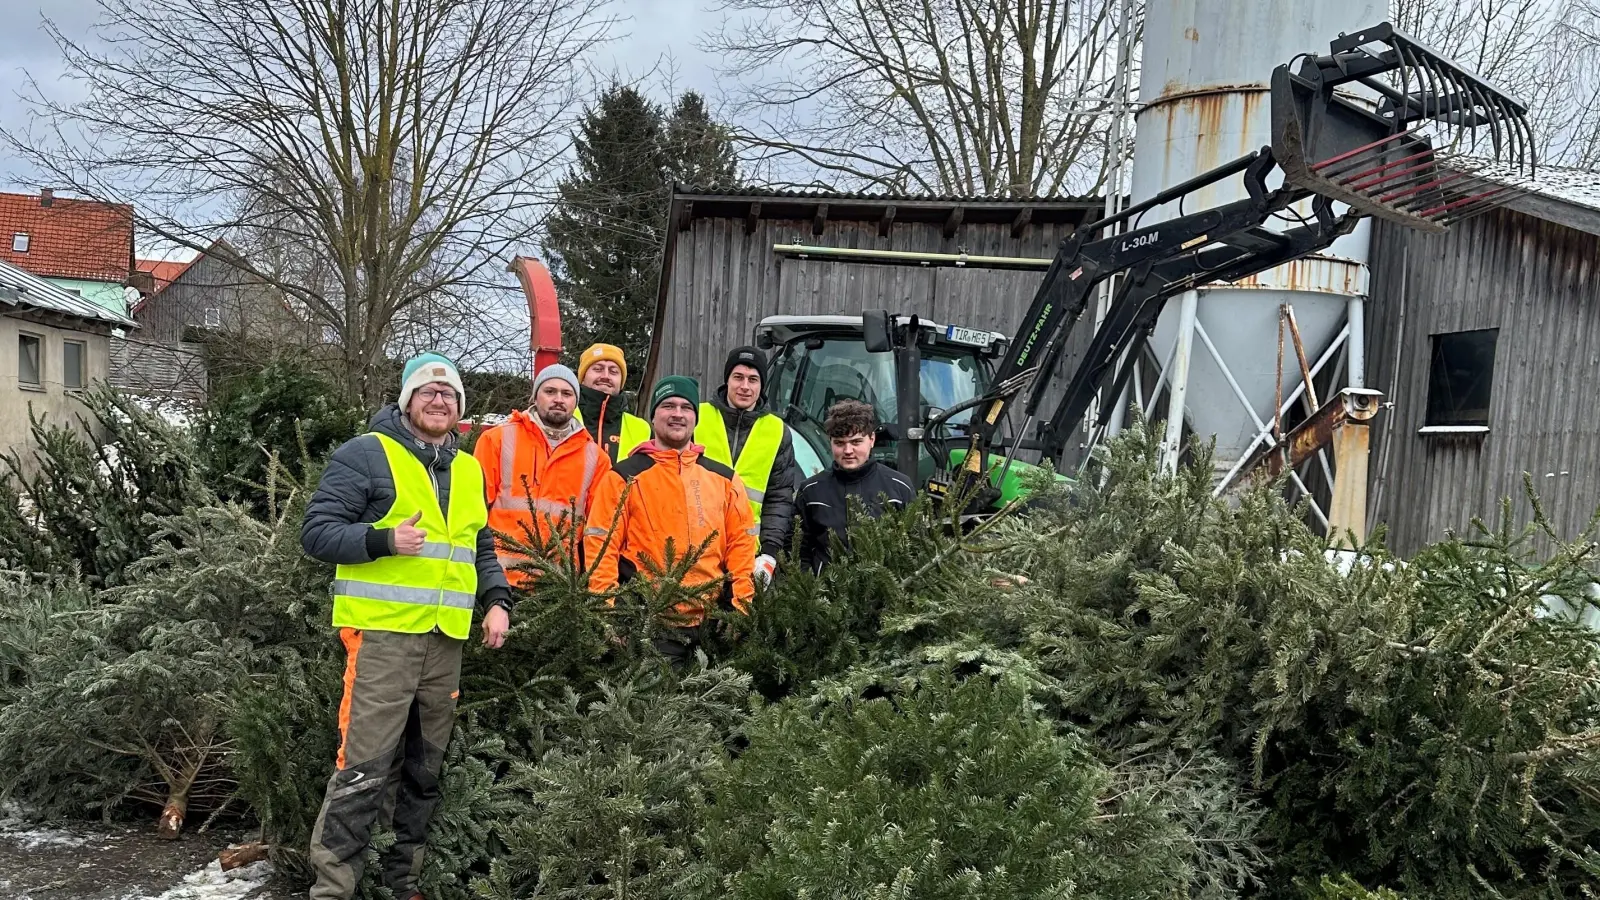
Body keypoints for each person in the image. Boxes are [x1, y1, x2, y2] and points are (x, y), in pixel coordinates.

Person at [299, 352, 512, 900]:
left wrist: (497, 600)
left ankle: (404, 883)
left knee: (424, 770)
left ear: (460, 409)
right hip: (382, 640)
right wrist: (383, 539)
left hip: (445, 641)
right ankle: (331, 890)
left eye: (449, 396)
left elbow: (478, 544)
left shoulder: (467, 468)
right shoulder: (366, 454)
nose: (438, 401)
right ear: (407, 401)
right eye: (427, 393)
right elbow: (317, 533)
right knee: (363, 767)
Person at [584, 375, 758, 664]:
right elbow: (601, 547)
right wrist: (607, 612)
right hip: (648, 624)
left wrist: (741, 607)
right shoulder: (623, 476)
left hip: (712, 624)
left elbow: (742, 547)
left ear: (695, 418)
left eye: (686, 408)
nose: (677, 414)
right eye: (668, 406)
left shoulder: (724, 478)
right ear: (653, 417)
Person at [474, 363, 611, 583]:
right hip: (499, 579)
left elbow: (598, 530)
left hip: (559, 586)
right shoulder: (497, 440)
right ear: (535, 397)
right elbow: (474, 512)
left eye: (566, 393)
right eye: (550, 391)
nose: (558, 399)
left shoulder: (596, 459)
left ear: (575, 402)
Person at [694, 346, 800, 586]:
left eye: (753, 379)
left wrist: (769, 554)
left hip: (748, 554)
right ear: (727, 380)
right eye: (738, 377)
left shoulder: (777, 431)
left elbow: (779, 498)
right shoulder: (697, 417)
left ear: (761, 385)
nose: (745, 386)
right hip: (697, 548)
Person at [795, 399, 917, 573]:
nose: (848, 451)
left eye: (856, 442)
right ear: (830, 441)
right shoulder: (811, 491)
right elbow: (798, 550)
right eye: (839, 443)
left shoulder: (900, 488)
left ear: (872, 439)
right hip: (825, 595)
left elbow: (916, 550)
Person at [573, 342, 651, 463]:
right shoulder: (565, 418)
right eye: (598, 369)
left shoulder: (642, 429)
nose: (605, 376)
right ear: (582, 378)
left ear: (621, 382)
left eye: (613, 371)